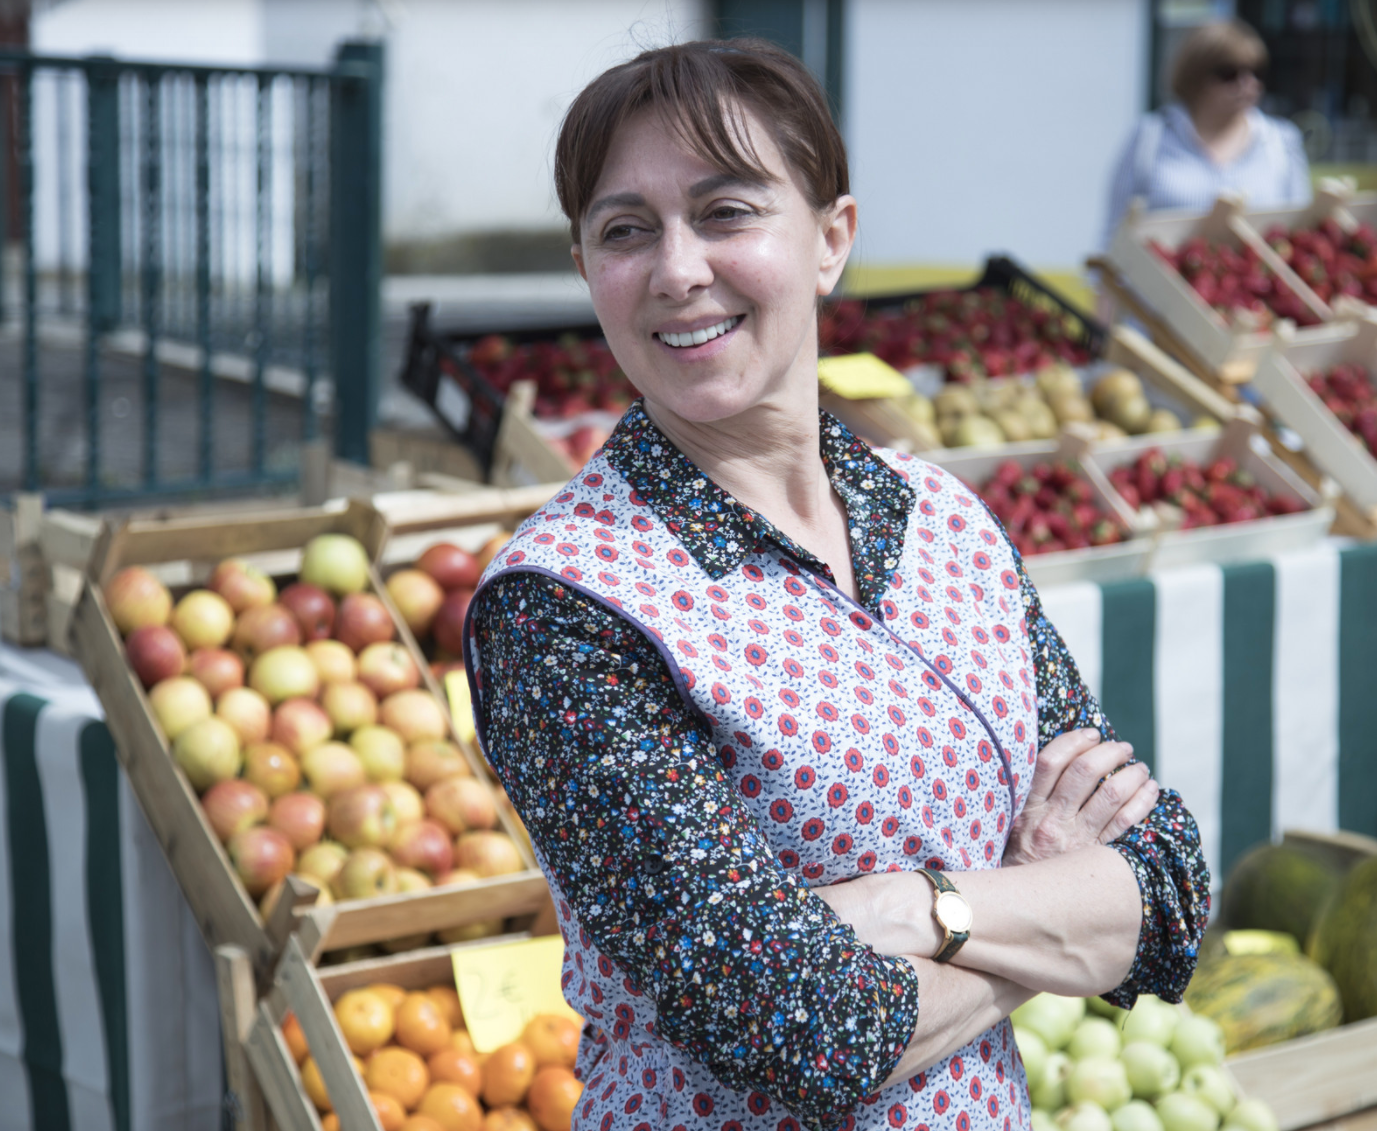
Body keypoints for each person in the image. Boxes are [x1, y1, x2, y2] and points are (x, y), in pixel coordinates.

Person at [465, 38, 1208, 1131]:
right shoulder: (564, 605)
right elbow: (803, 1027)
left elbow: (1167, 885)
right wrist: (1044, 898)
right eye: (626, 230)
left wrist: (914, 908)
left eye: (725, 212)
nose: (677, 269)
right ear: (587, 269)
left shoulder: (943, 518)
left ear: (831, 239)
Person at [1102, 19, 1310, 248]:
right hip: (1159, 271)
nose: (1247, 83)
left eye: (1257, 72)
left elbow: (1300, 232)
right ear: (1196, 76)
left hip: (1257, 271)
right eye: (1229, 73)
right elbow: (1114, 234)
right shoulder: (1150, 136)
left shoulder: (1280, 141)